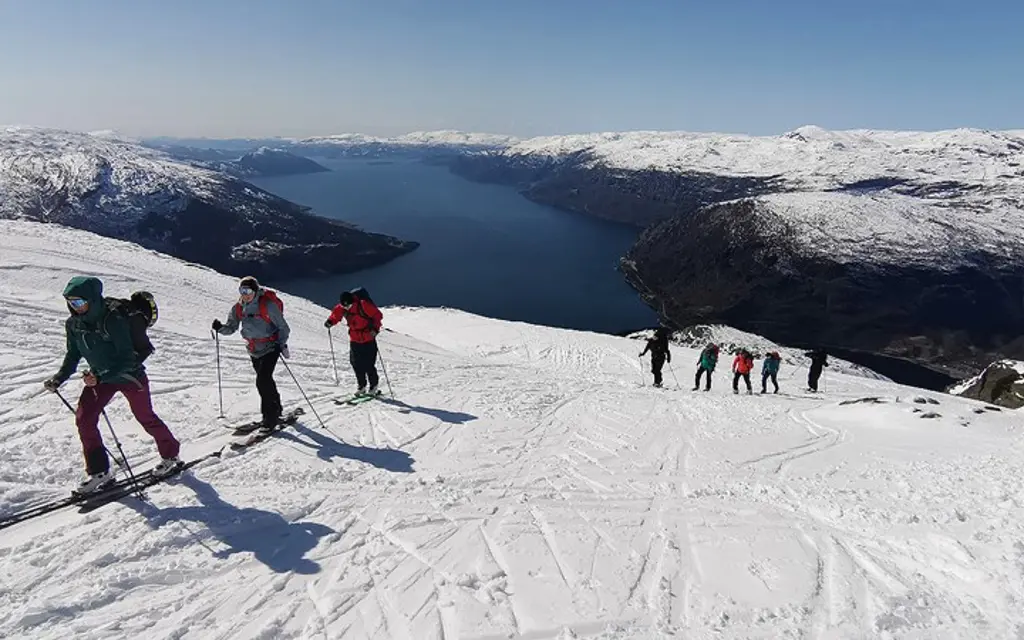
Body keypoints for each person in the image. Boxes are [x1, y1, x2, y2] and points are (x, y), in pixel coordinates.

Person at [43, 276, 181, 494]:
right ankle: (99, 472)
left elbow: (128, 358)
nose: (75, 307)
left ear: (92, 299)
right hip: (100, 378)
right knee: (84, 419)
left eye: (79, 302)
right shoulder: (74, 325)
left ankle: (171, 454)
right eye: (71, 302)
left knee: (145, 417)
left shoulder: (113, 320)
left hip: (129, 376)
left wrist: (100, 377)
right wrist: (59, 378)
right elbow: (73, 355)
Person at [212, 276, 290, 430]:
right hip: (254, 350)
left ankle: (269, 420)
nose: (245, 294)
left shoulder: (267, 305)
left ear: (255, 291)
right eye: (242, 291)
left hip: (271, 347)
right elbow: (231, 327)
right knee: (266, 380)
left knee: (262, 380)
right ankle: (277, 409)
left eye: (248, 291)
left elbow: (283, 327)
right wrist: (220, 328)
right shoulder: (239, 308)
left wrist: (280, 344)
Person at [324, 288, 384, 395]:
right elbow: (336, 314)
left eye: (348, 306)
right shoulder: (343, 307)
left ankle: (373, 386)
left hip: (368, 338)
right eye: (344, 306)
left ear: (353, 302)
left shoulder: (363, 304)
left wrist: (375, 329)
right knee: (356, 363)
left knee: (368, 364)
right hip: (355, 339)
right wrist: (330, 322)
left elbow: (377, 316)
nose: (346, 308)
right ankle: (362, 386)